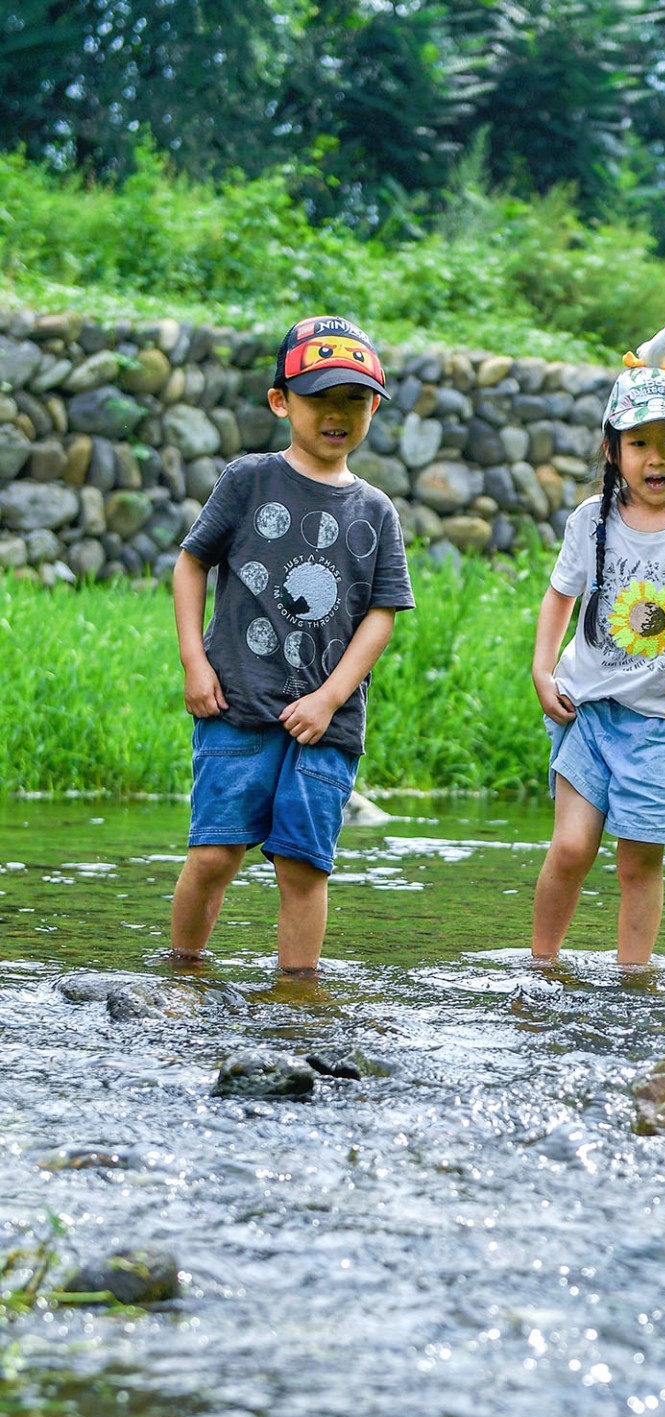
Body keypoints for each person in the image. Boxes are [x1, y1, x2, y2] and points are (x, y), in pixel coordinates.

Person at [169, 314, 415, 975]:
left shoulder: (376, 511)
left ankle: (297, 998)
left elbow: (382, 615)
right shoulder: (249, 480)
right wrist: (195, 660)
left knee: (303, 866)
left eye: (354, 400)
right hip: (235, 706)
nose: (337, 414)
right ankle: (181, 972)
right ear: (281, 402)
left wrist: (331, 699)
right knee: (215, 854)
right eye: (319, 398)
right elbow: (191, 563)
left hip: (325, 725)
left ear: (373, 408)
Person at [530, 320, 665, 967]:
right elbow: (558, 598)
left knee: (637, 861)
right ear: (612, 449)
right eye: (641, 442)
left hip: (662, 719)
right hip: (589, 707)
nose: (657, 458)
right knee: (570, 849)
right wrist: (543, 671)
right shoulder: (589, 520)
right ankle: (540, 965)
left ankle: (633, 980)